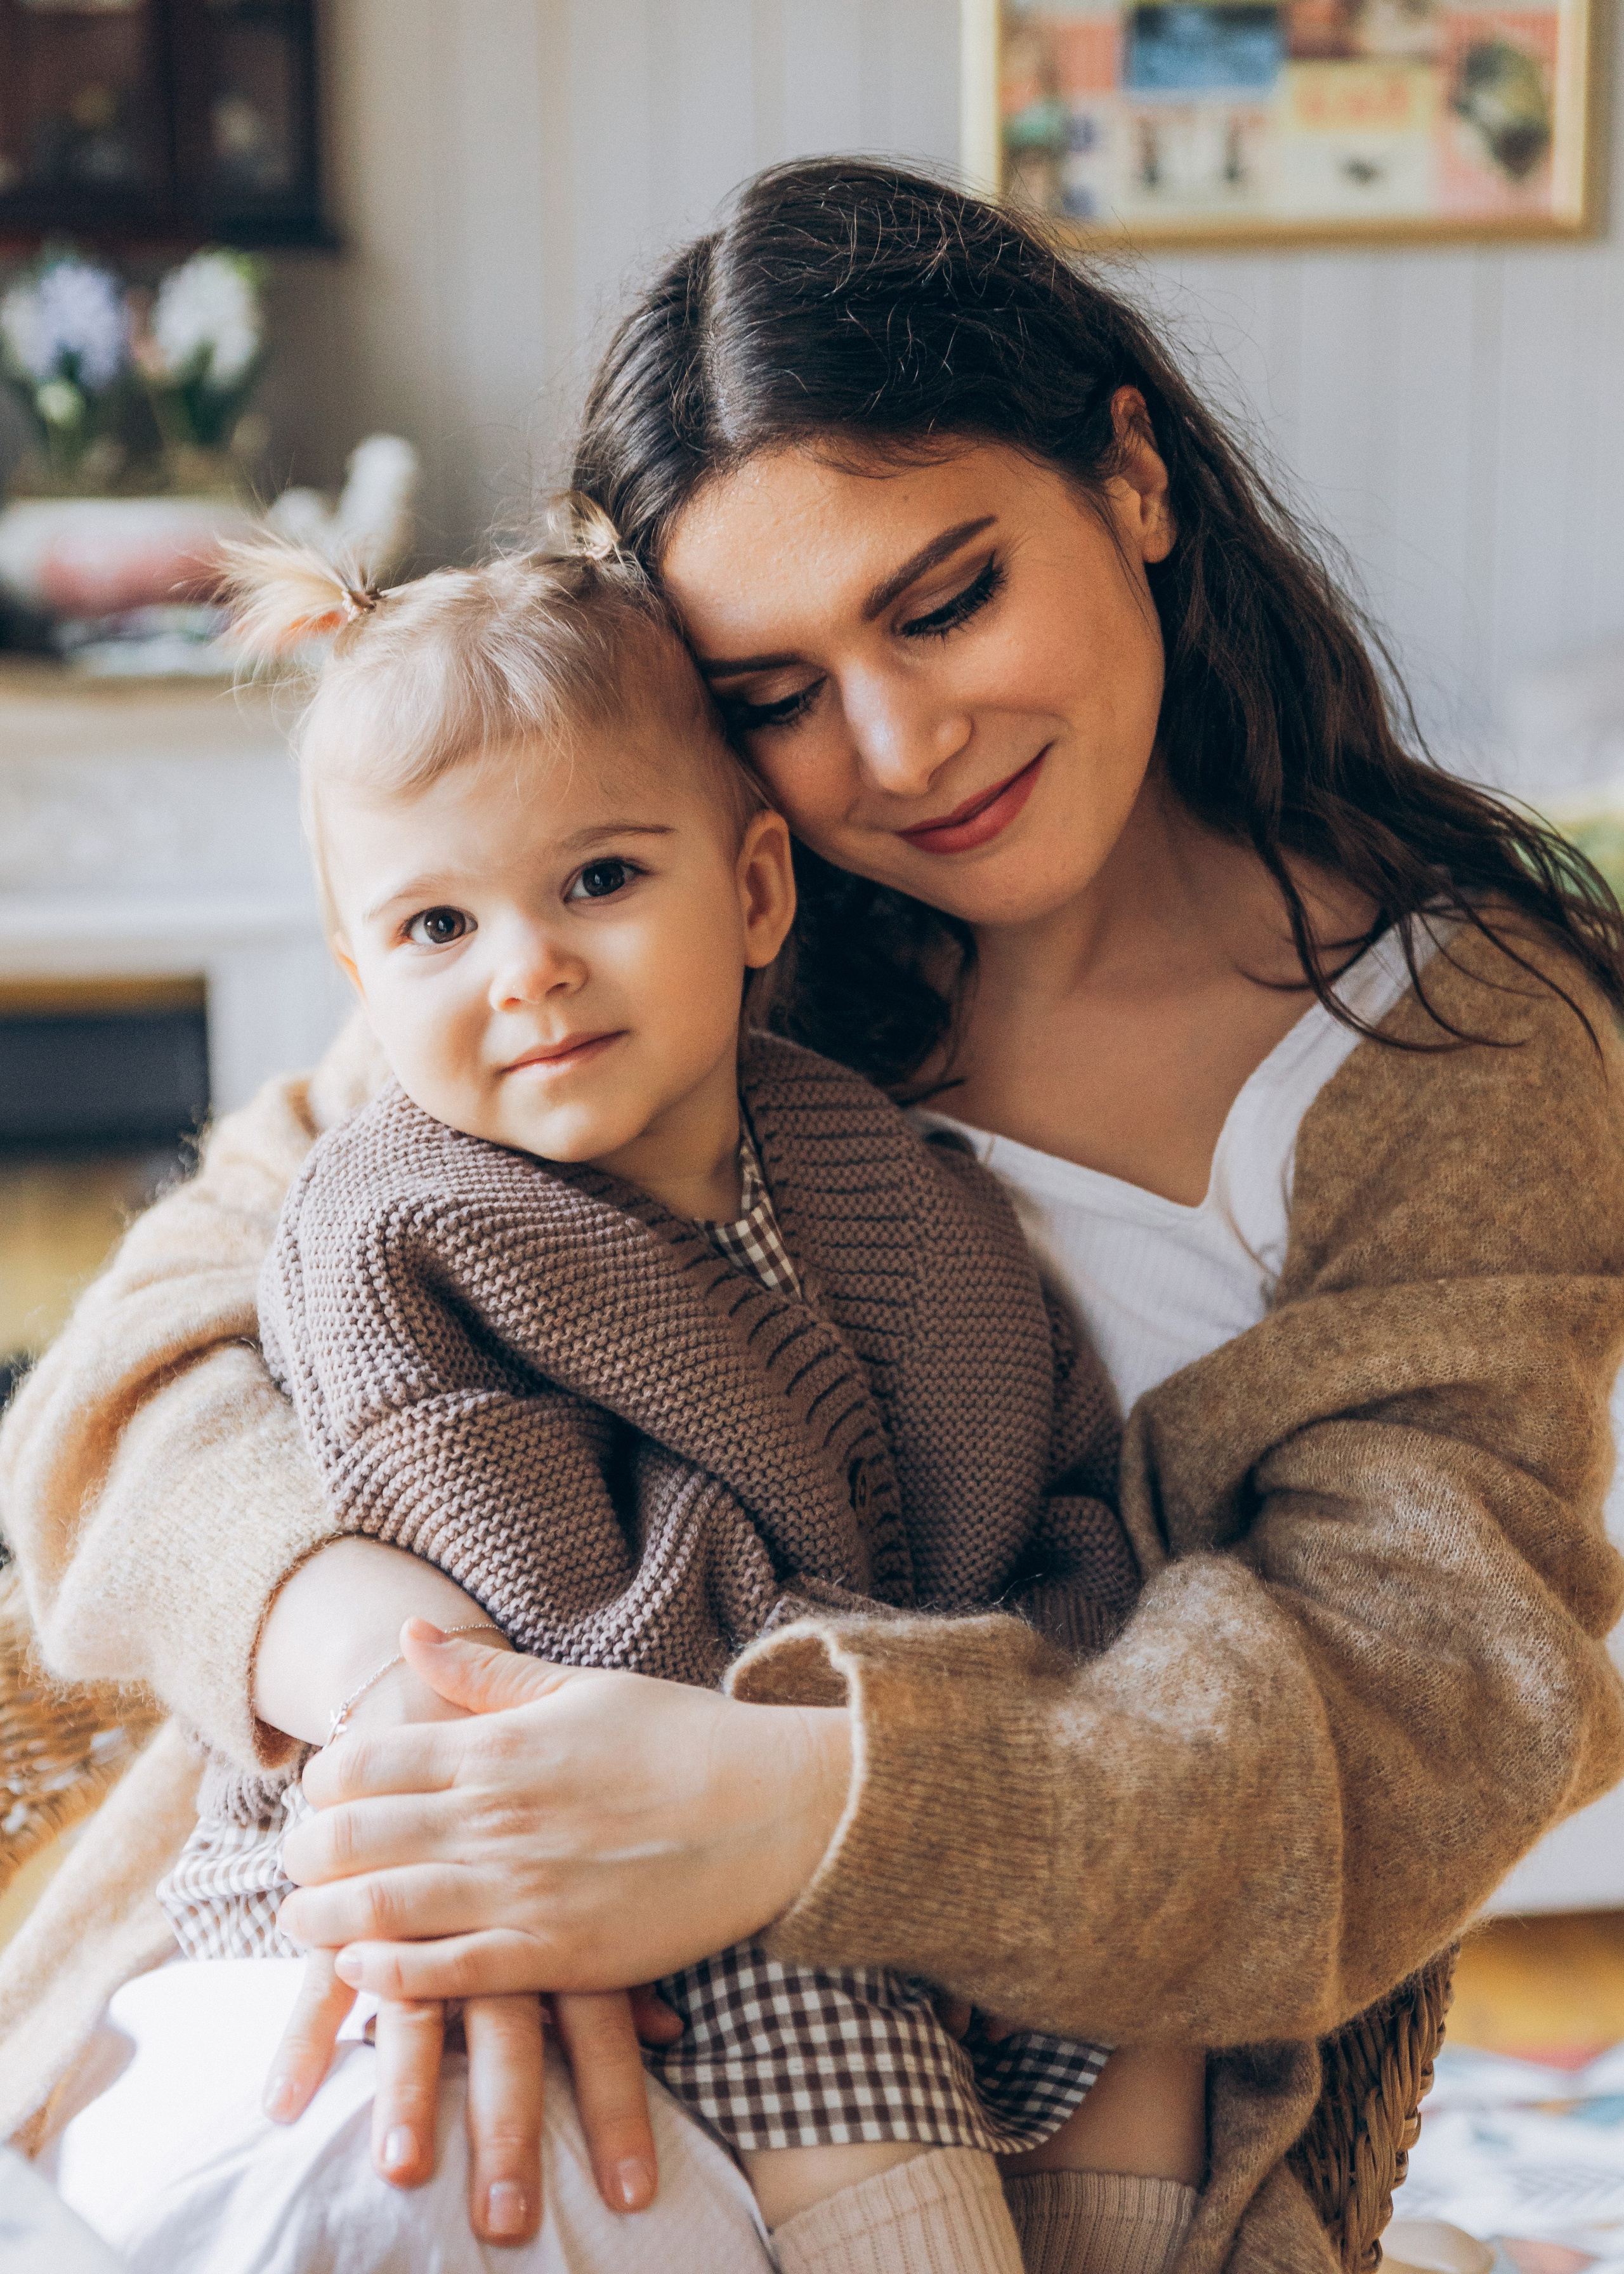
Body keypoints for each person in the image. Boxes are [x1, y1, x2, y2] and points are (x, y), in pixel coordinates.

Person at [4, 156, 1624, 2274]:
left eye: (945, 597)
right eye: (771, 690)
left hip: (1036, 2099)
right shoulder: (654, 918)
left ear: (1131, 474)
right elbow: (147, 1365)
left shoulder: (1460, 1044)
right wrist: (442, 1720)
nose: (894, 747)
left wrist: (769, 1804)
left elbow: (1402, 1713)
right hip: (378, 1954)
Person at [134, 518, 1172, 2274]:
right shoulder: (397, 1229)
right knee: (847, 2041)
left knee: (1153, 1984)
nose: (522, 967)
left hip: (852, 1767)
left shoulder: (875, 1175)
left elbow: (1041, 1473)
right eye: (438, 925)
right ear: (363, 979)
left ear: (754, 889)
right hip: (568, 1778)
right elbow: (537, 1636)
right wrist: (820, 1751)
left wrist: (1006, 1709)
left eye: (600, 883)